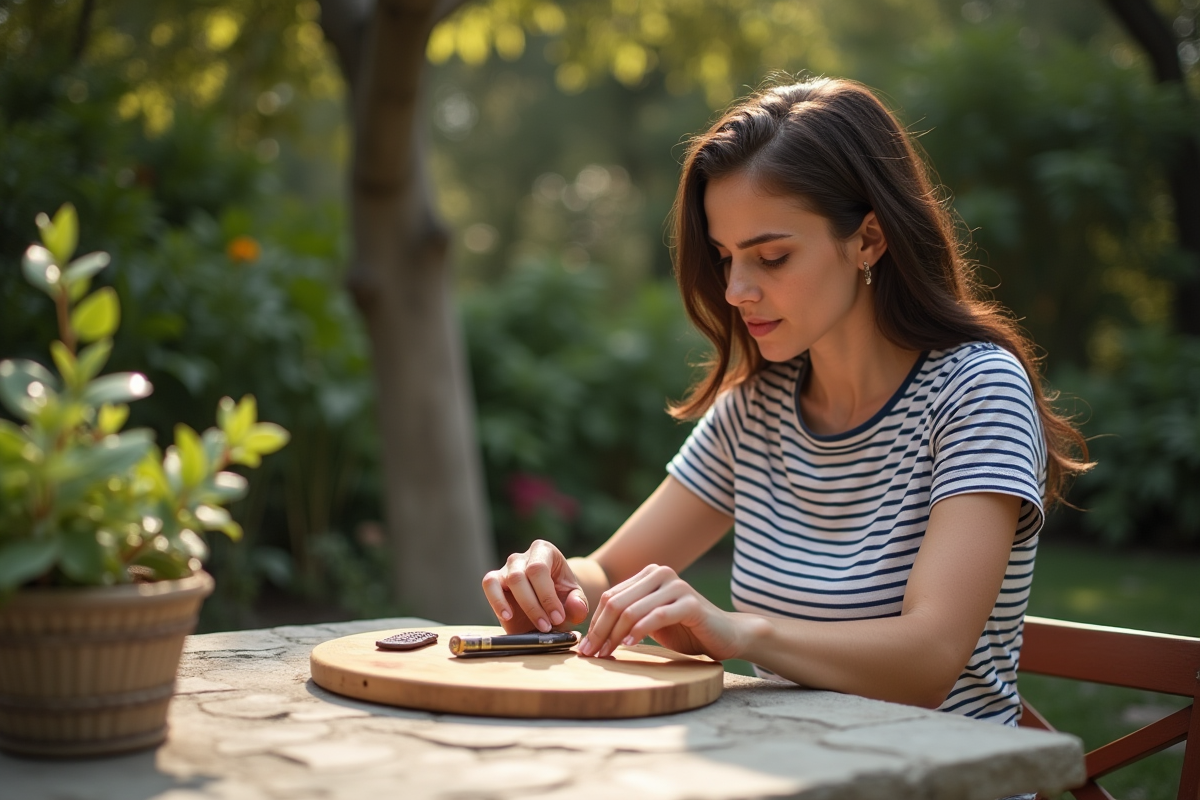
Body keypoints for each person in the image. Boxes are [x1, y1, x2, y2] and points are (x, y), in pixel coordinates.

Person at [481, 77, 1089, 727]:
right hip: (794, 768)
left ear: (868, 240)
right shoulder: (759, 405)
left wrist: (740, 633)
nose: (737, 289)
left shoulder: (977, 391)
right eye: (724, 257)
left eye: (771, 257)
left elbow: (929, 660)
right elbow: (608, 567)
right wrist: (554, 582)